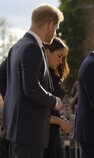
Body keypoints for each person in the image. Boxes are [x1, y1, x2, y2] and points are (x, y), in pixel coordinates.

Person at [0, 4, 64, 158]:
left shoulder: (17, 46)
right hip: (30, 132)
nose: (55, 33)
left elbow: (1, 76)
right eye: (56, 27)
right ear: (49, 24)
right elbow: (32, 88)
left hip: (17, 130)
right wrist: (54, 101)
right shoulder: (32, 47)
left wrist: (13, 102)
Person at [43, 37, 71, 158]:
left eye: (63, 57)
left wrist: (61, 120)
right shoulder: (41, 76)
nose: (61, 61)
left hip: (53, 134)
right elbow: (38, 113)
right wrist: (59, 121)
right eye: (59, 56)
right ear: (47, 52)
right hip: (42, 135)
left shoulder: (53, 76)